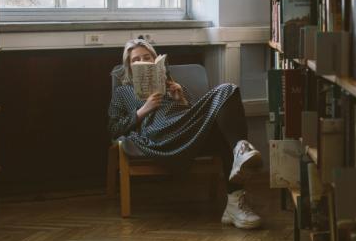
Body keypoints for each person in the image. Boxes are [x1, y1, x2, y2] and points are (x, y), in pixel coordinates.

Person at [108, 38, 264, 229]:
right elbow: (114, 128)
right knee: (226, 101)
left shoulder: (173, 85)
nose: (143, 62)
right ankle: (240, 149)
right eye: (136, 60)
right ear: (130, 67)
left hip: (187, 132)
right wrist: (142, 111)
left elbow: (195, 114)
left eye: (147, 57)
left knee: (228, 93)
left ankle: (234, 204)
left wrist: (181, 98)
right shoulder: (124, 92)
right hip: (160, 135)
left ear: (156, 61)